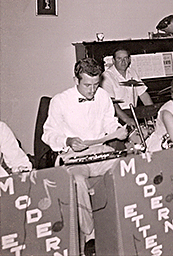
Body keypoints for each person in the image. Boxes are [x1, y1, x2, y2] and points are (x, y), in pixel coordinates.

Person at [42, 57, 128, 256]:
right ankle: (90, 236)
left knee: (126, 167)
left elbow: (109, 125)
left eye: (96, 85)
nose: (92, 90)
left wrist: (118, 131)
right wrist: (68, 140)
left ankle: (124, 222)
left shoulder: (103, 96)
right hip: (73, 156)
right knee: (79, 181)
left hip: (100, 151)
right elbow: (47, 134)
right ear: (76, 80)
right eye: (87, 85)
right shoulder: (60, 101)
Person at [101, 47, 153, 127]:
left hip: (134, 113)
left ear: (129, 60)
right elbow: (112, 103)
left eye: (125, 58)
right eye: (119, 59)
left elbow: (144, 95)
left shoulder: (132, 72)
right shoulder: (106, 76)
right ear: (113, 61)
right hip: (118, 117)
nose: (123, 62)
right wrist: (127, 120)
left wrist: (151, 116)